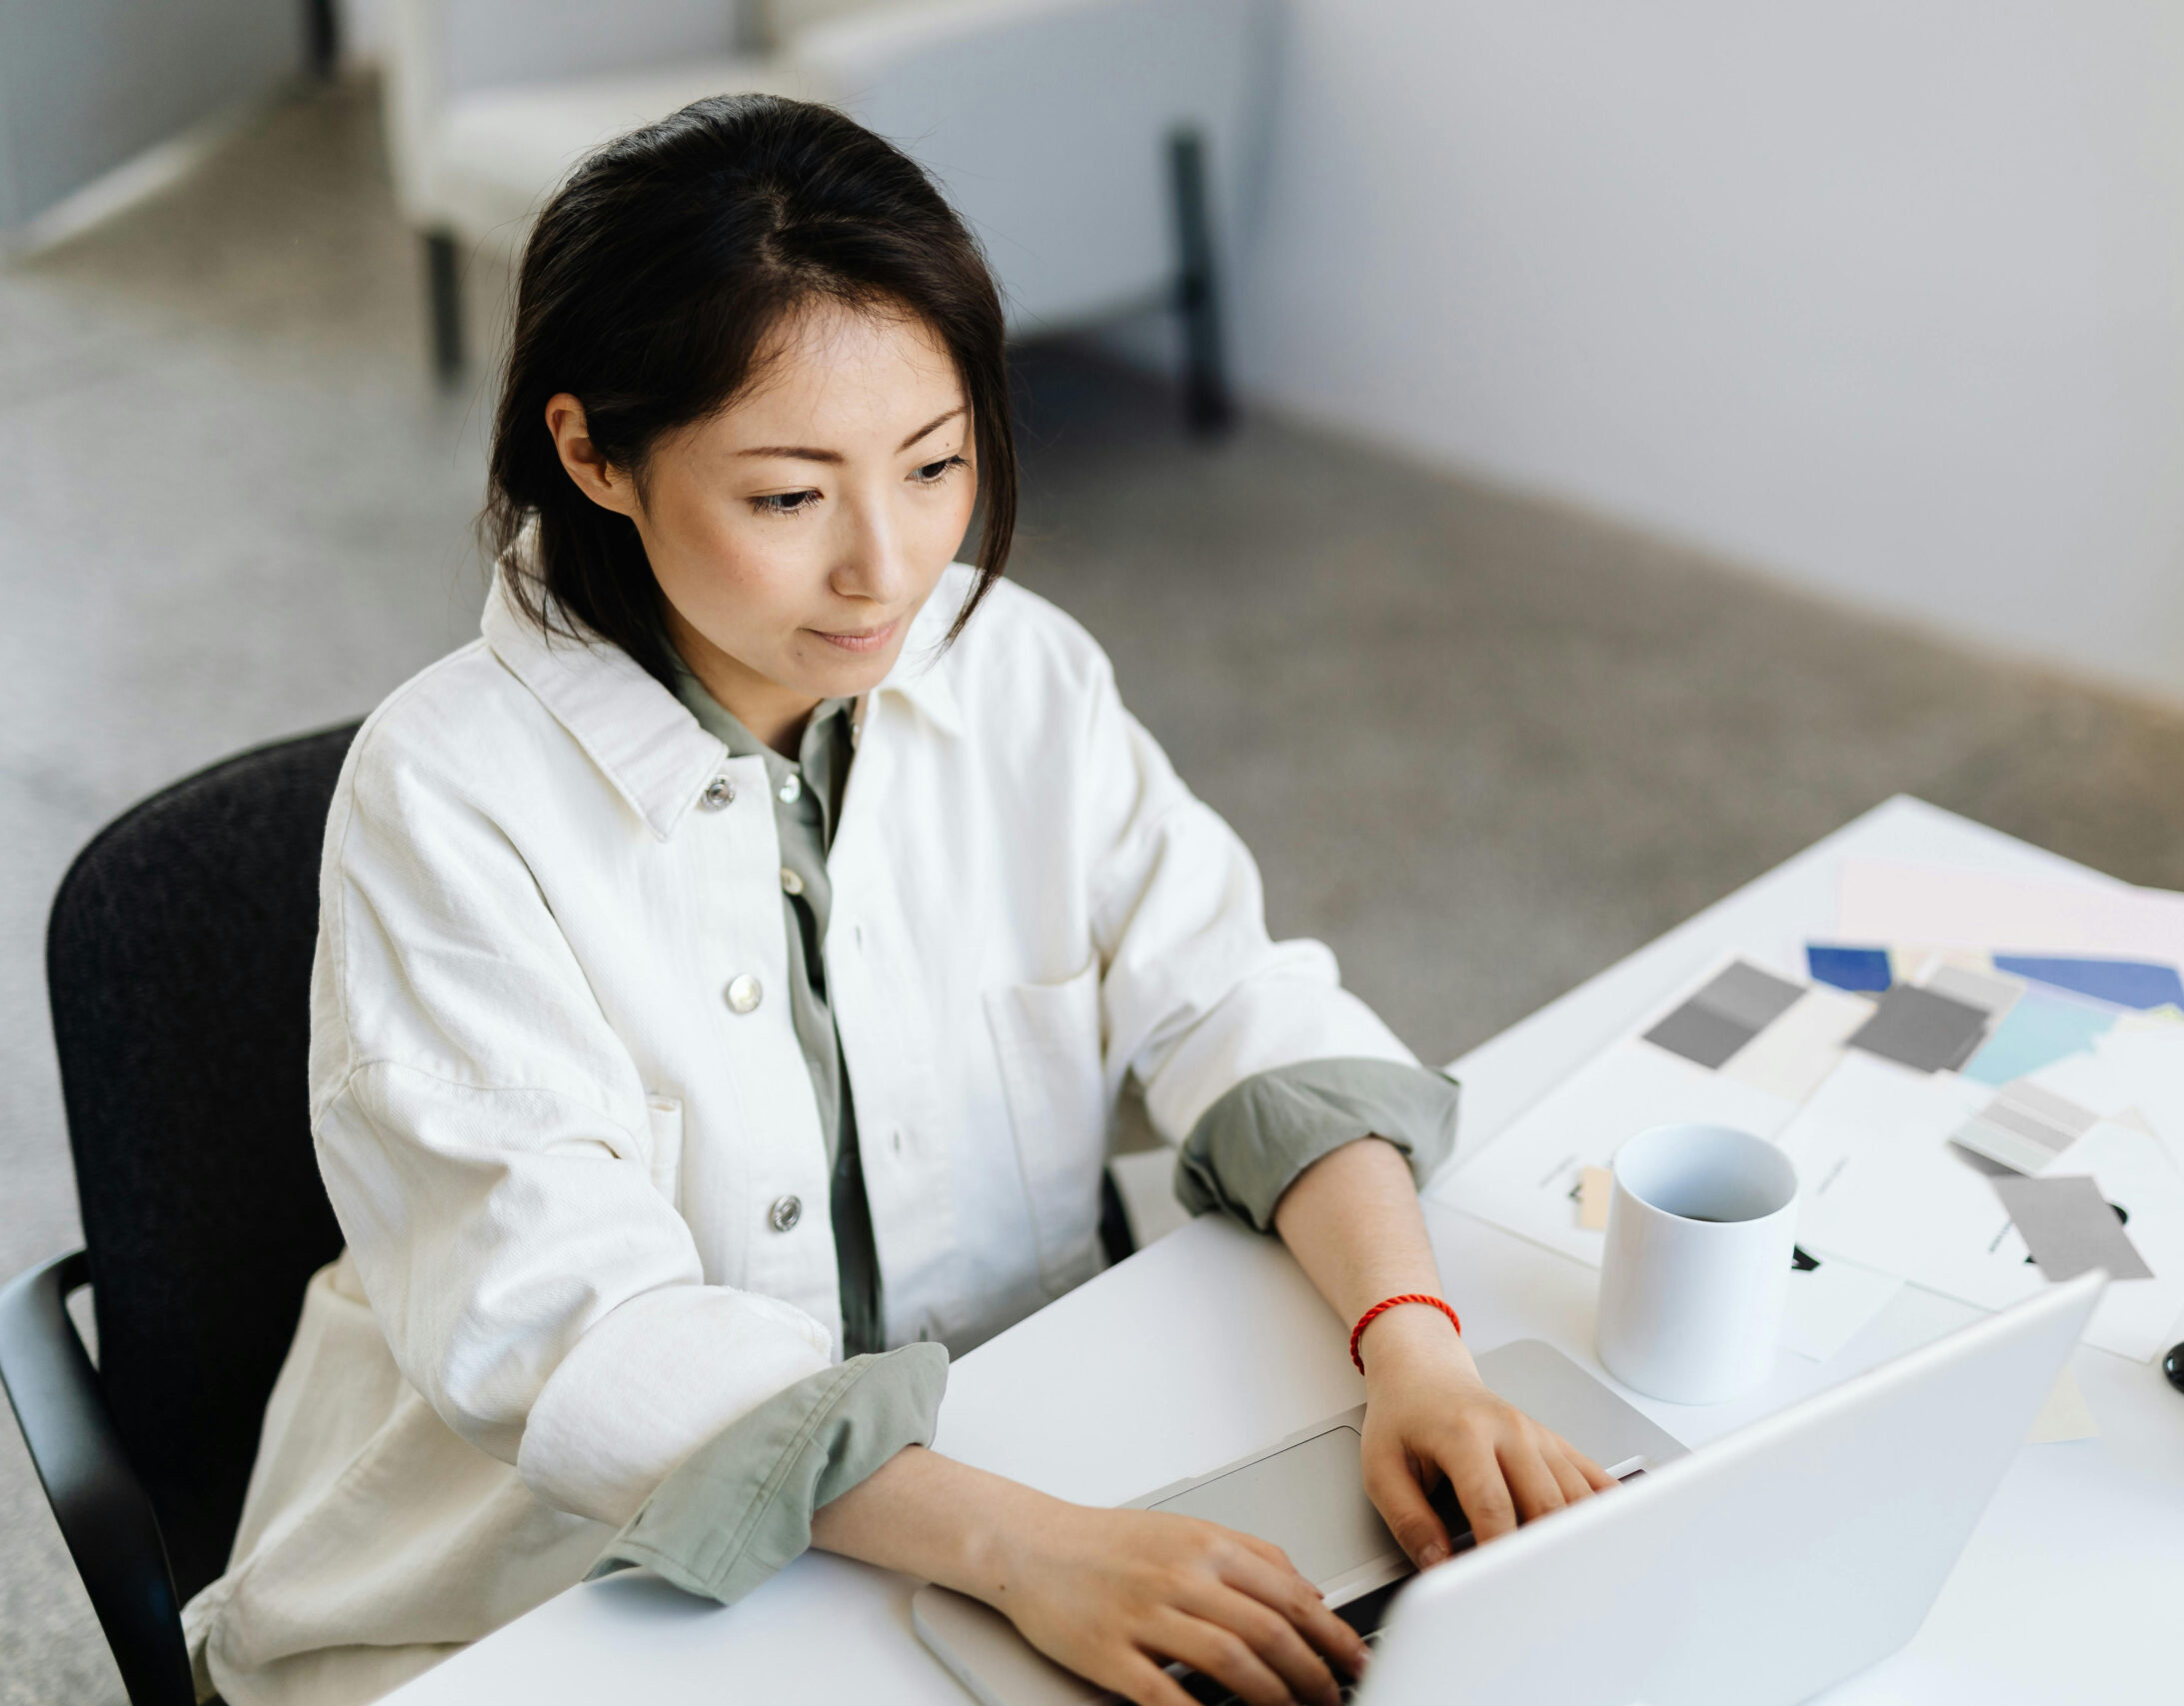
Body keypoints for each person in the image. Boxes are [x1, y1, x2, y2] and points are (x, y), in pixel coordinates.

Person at [181, 94, 1613, 1706]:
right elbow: (570, 1326)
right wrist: (1023, 1552)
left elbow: (1239, 1007)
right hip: (552, 1592)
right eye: (789, 499)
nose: (890, 566)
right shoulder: (443, 799)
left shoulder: (1018, 673)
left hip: (1015, 1467)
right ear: (591, 452)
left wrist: (1413, 1348)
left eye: (937, 463)